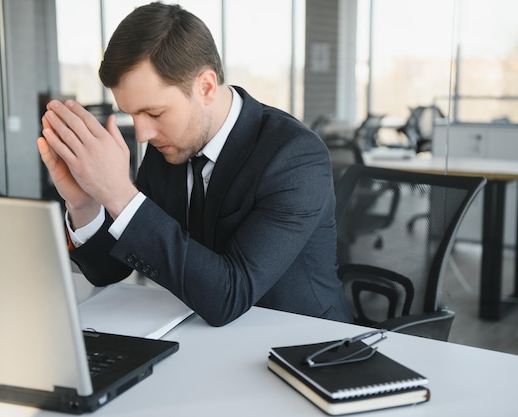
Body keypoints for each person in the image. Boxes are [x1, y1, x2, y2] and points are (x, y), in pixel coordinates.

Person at [37, 2, 351, 326]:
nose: (143, 134)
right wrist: (84, 203)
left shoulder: (295, 157)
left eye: (154, 113)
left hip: (302, 343)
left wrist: (119, 194)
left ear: (205, 87)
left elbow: (229, 295)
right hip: (201, 338)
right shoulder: (168, 147)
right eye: (132, 115)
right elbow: (109, 269)